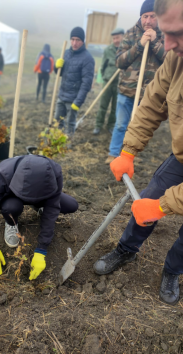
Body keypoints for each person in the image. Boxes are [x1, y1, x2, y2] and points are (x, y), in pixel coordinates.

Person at [94, 0, 183, 306]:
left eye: (176, 33)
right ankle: (126, 250)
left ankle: (173, 270)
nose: (166, 43)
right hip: (181, 156)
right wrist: (128, 151)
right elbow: (152, 102)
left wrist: (164, 207)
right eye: (164, 32)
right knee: (151, 192)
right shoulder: (175, 56)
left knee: (161, 205)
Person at [0, 155, 78, 279]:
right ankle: (11, 223)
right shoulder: (1, 175)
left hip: (42, 192)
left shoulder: (54, 173)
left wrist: (42, 249)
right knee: (12, 207)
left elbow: (52, 209)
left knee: (71, 205)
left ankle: (39, 206)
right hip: (11, 198)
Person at [105, 0, 166, 164]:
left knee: (138, 128)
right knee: (120, 125)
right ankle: (113, 153)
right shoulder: (130, 34)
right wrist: (139, 45)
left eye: (152, 16)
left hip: (148, 94)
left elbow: (170, 61)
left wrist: (155, 43)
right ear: (141, 17)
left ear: (158, 17)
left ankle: (130, 156)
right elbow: (119, 62)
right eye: (145, 16)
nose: (148, 21)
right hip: (127, 89)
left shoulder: (165, 34)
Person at [54, 27, 95, 137]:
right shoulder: (66, 53)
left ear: (82, 41)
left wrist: (78, 102)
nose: (74, 43)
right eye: (72, 39)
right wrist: (56, 66)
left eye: (78, 40)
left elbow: (86, 84)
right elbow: (61, 73)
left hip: (73, 99)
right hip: (62, 95)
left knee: (70, 124)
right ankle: (57, 141)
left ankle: (67, 145)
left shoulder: (88, 59)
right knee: (57, 122)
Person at [93, 28, 124, 136]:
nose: (116, 40)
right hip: (107, 82)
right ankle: (98, 125)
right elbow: (103, 66)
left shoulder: (126, 49)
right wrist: (106, 76)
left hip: (119, 84)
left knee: (115, 107)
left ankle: (111, 126)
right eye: (114, 38)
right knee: (103, 105)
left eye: (118, 37)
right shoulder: (108, 50)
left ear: (122, 37)